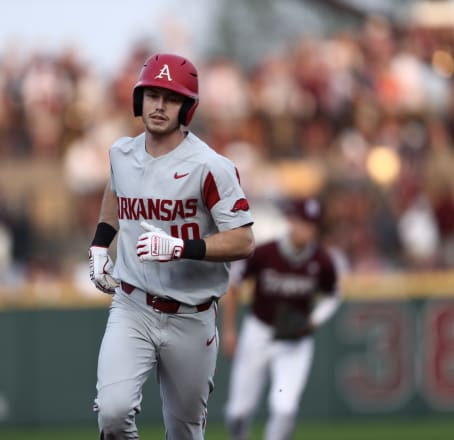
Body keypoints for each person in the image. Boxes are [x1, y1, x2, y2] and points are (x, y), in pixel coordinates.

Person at [88, 53, 255, 440]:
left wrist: (182, 246)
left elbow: (244, 240)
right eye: (152, 95)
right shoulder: (121, 154)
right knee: (113, 416)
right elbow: (116, 189)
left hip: (191, 314)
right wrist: (100, 245)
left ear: (187, 107)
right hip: (133, 304)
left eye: (171, 97)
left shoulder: (210, 166)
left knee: (184, 433)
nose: (159, 105)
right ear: (139, 100)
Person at [222, 197, 342, 440]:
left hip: (293, 340)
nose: (303, 228)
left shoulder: (322, 260)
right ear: (290, 221)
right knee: (238, 413)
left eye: (310, 224)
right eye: (300, 222)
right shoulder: (266, 253)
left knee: (285, 409)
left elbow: (333, 296)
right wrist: (229, 330)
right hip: (259, 331)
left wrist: (314, 320)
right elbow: (234, 285)